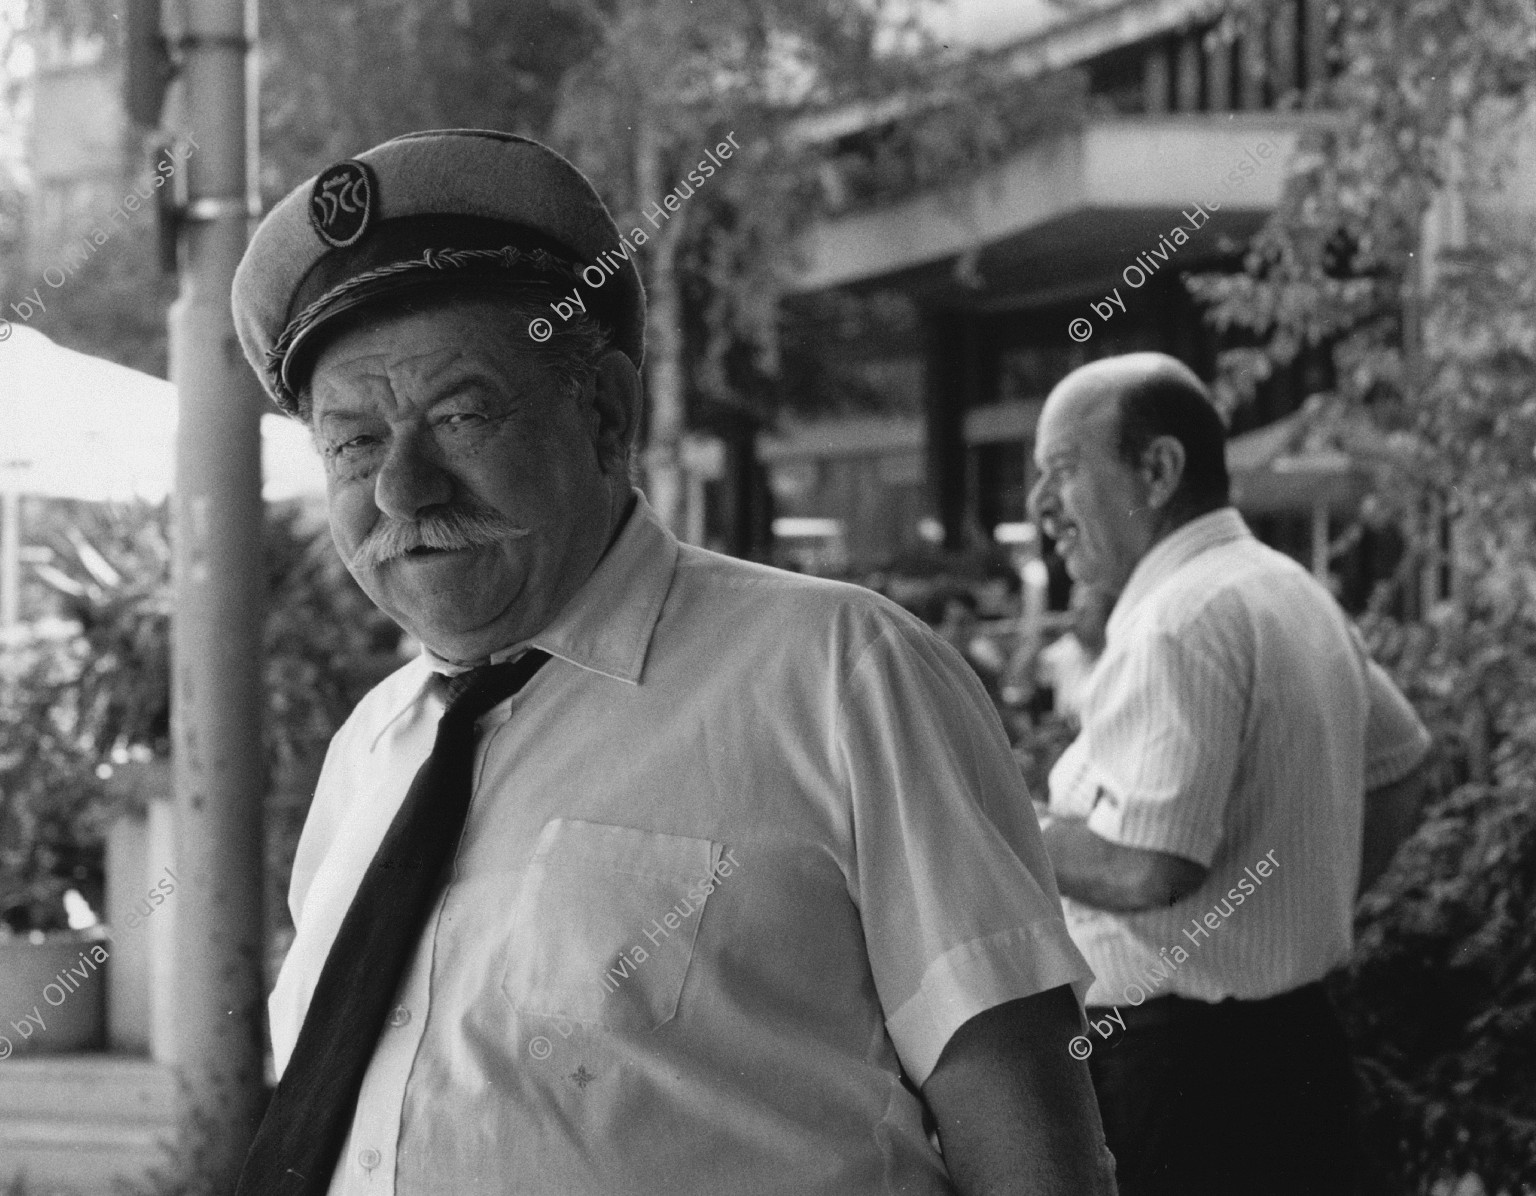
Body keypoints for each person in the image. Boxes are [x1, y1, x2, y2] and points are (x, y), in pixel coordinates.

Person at [229, 129, 1114, 1196]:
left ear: (604, 414)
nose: (403, 491)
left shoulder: (841, 677)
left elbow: (1033, 1149)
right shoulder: (370, 749)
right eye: (354, 443)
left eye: (460, 415)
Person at [1026, 352, 1432, 1196]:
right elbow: (1400, 767)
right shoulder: (1285, 586)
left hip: (1180, 1079)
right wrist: (1296, 912)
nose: (1041, 509)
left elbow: (1148, 867)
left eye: (1062, 472)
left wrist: (1003, 827)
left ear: (1160, 468)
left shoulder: (1180, 617)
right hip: (1290, 1045)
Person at [1038, 582, 1113, 726]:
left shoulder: (1120, 655)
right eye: (1072, 610)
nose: (1072, 620)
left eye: (1083, 613)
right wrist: (1036, 640)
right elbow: (1019, 682)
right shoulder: (1068, 647)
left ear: (1107, 616)